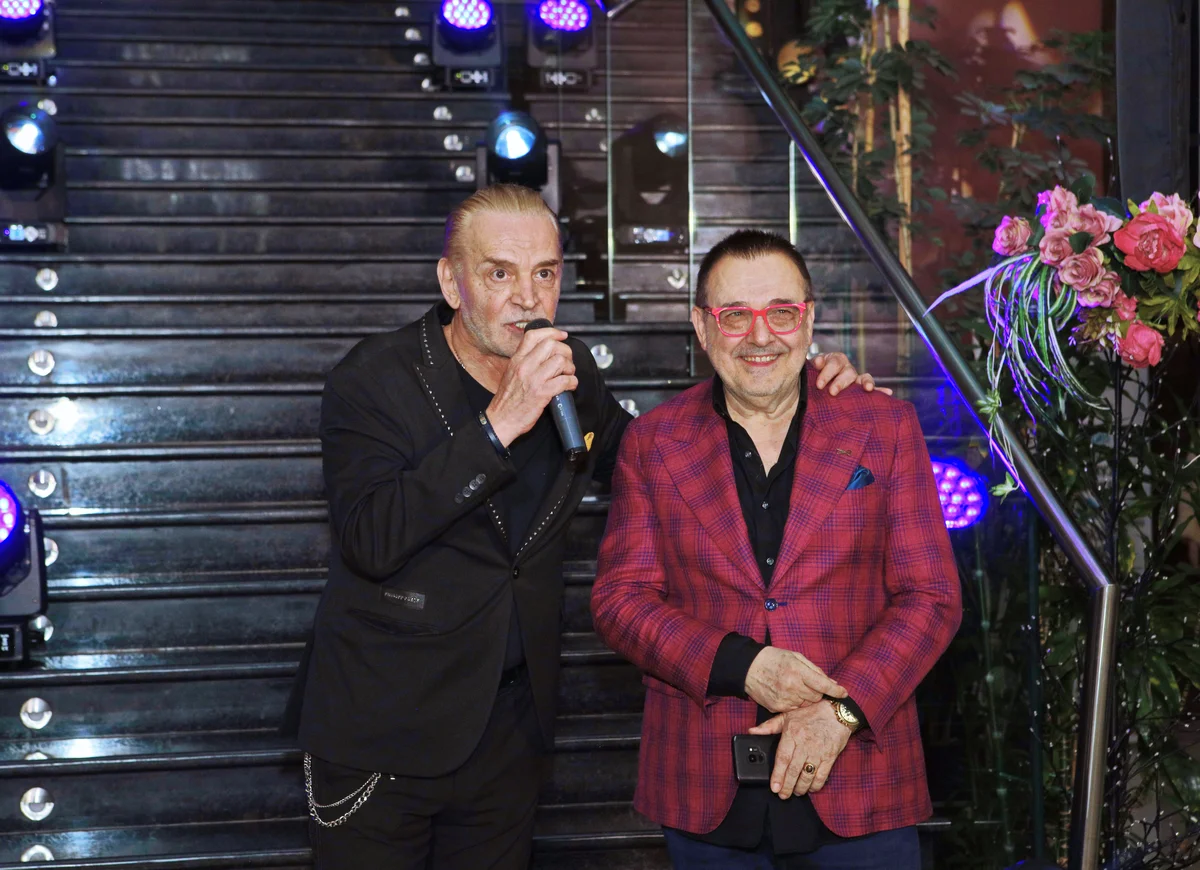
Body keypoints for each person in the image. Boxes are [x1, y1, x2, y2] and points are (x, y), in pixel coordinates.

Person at [286, 187, 881, 870]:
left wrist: (797, 391)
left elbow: (660, 460)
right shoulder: (375, 378)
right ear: (452, 282)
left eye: (545, 272)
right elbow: (370, 539)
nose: (527, 297)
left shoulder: (569, 372)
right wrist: (499, 425)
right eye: (500, 273)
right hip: (384, 726)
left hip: (509, 728)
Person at [591, 229, 962, 869]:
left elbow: (931, 597)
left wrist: (840, 712)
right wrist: (742, 665)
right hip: (705, 787)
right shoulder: (652, 442)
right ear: (702, 327)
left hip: (860, 781)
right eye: (735, 315)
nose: (760, 336)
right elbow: (621, 601)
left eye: (781, 313)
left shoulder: (885, 426)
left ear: (808, 319)